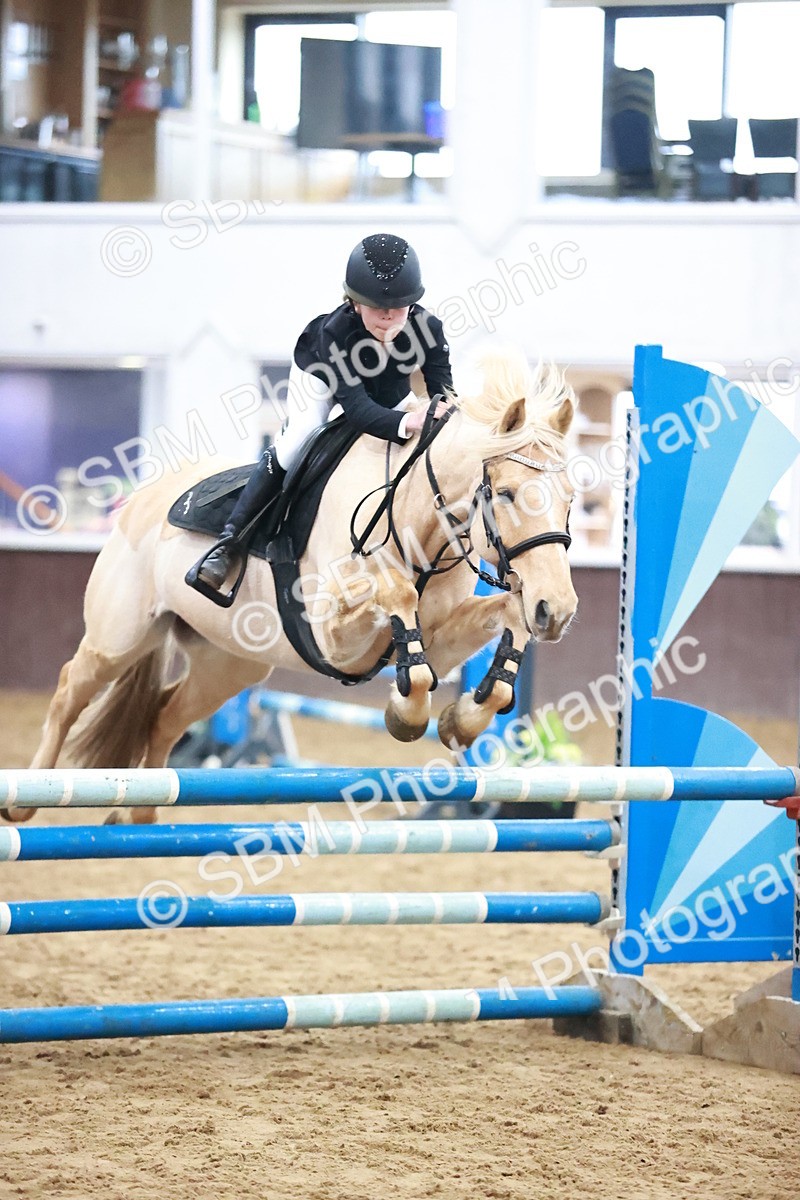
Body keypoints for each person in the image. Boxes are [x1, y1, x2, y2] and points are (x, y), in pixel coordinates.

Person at [195, 232, 454, 591]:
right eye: (377, 307)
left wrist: (445, 416)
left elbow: (444, 392)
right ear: (355, 303)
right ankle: (230, 541)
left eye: (399, 307)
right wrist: (410, 420)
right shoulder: (335, 333)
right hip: (321, 378)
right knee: (298, 440)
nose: (388, 317)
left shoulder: (429, 328)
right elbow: (358, 410)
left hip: (388, 389)